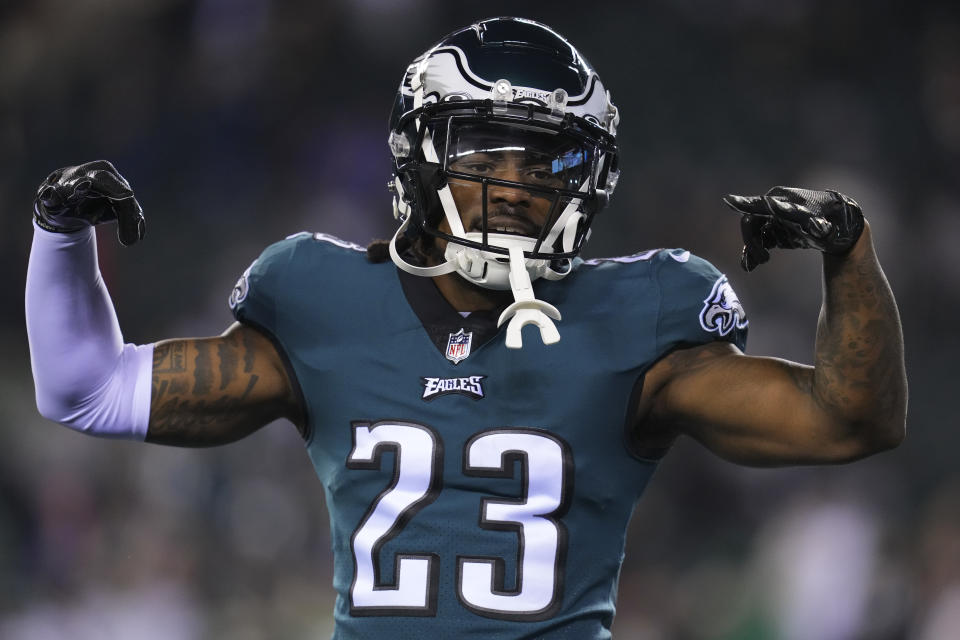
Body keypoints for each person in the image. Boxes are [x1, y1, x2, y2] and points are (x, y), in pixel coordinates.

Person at [25, 16, 906, 640]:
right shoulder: (323, 297)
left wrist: (849, 254)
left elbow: (851, 419)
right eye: (487, 149)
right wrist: (60, 239)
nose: (519, 183)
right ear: (420, 156)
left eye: (550, 160)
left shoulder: (641, 317)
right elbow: (88, 389)